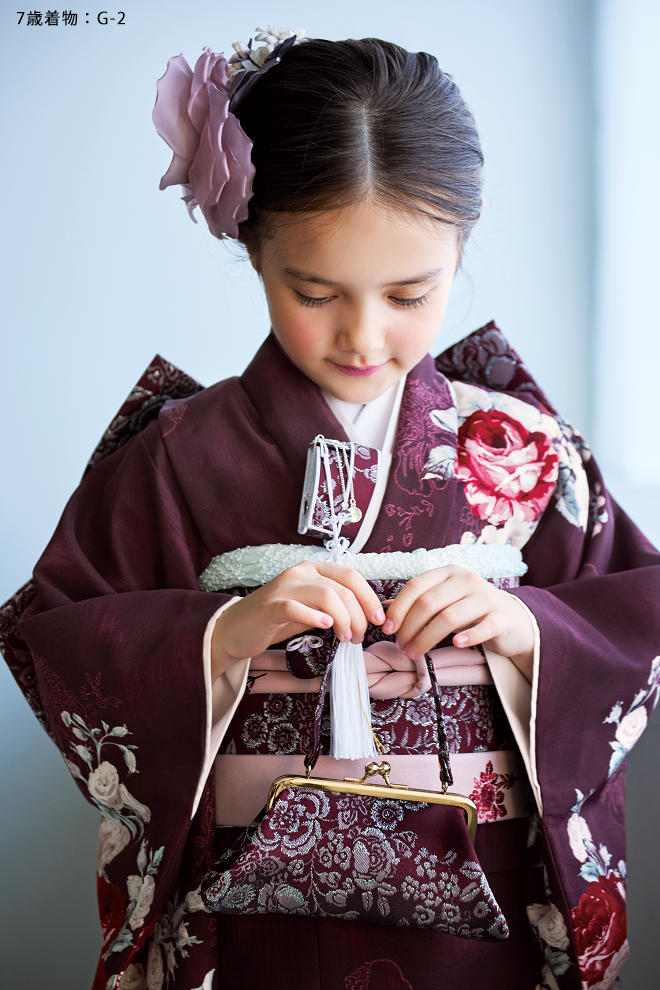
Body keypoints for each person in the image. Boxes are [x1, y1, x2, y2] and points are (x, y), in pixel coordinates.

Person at [2, 26, 658, 990]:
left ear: (462, 247)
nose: (363, 336)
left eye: (410, 293)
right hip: (246, 902)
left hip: (484, 883)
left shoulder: (521, 447)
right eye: (314, 292)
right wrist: (222, 635)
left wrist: (527, 628)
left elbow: (635, 616)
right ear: (254, 252)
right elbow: (56, 636)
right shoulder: (176, 453)